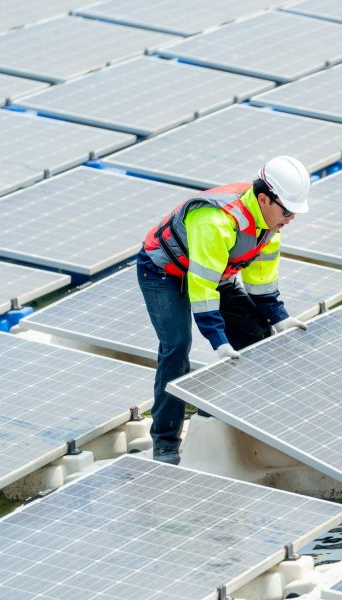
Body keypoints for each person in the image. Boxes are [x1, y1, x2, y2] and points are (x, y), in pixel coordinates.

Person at [137, 155, 311, 465]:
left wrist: (279, 318)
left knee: (257, 335)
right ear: (263, 199)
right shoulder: (218, 221)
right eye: (287, 211)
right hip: (164, 272)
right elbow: (202, 287)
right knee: (176, 347)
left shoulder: (269, 226)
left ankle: (232, 415)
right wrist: (218, 339)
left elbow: (261, 280)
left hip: (216, 274)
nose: (291, 218)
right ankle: (165, 442)